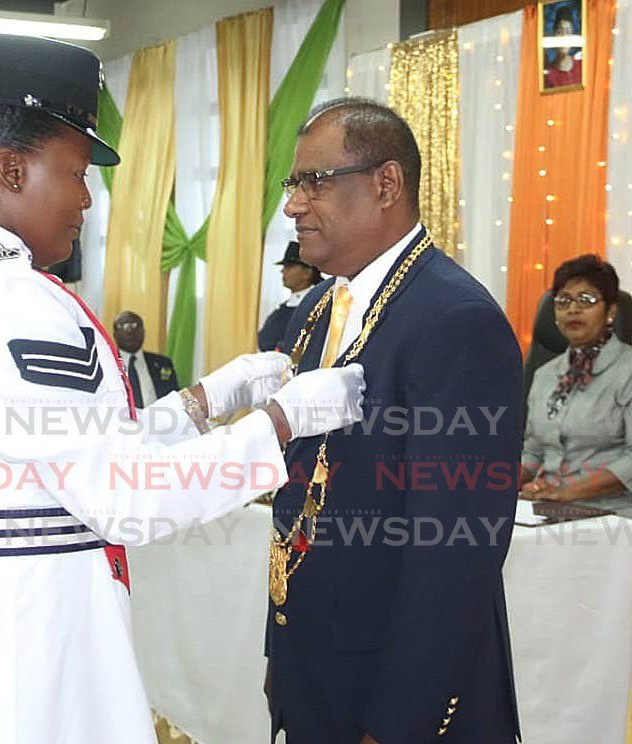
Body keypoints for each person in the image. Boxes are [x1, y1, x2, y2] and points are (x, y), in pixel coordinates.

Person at [0, 33, 366, 744]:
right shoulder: (0, 298)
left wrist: (205, 403)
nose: (87, 199)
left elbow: (63, 451)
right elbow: (122, 496)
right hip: (16, 649)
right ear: (10, 170)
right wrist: (280, 423)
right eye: (74, 173)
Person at [265, 97, 523, 744]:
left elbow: (454, 554)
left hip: (397, 692)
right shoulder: (317, 307)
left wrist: (397, 721)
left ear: (386, 184)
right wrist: (281, 650)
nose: (293, 205)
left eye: (313, 182)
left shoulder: (453, 320)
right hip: (313, 666)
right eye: (292, 184)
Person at [521, 255, 632, 502]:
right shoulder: (545, 375)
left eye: (586, 300)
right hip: (546, 505)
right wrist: (501, 486)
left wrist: (567, 493)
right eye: (563, 301)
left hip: (612, 513)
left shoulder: (627, 371)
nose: (573, 309)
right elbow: (533, 451)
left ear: (610, 311)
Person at [258, 241, 322, 352]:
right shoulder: (283, 308)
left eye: (289, 266)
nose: (283, 271)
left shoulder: (319, 304)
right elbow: (264, 340)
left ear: (307, 272)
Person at [113, 310, 179, 407]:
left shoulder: (163, 363)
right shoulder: (108, 363)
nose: (130, 331)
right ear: (115, 335)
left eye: (135, 326)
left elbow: (174, 397)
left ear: (143, 332)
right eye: (123, 326)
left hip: (157, 419)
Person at [543, 5, 583, 89]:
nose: (564, 37)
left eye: (568, 32)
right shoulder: (548, 75)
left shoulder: (582, 66)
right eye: (560, 32)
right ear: (554, 35)